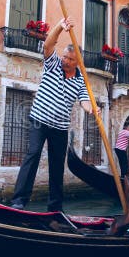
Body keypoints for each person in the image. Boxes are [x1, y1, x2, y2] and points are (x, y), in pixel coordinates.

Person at [10, 17, 98, 212]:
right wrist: (60, 27)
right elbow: (48, 44)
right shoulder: (53, 64)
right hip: (39, 120)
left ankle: (55, 207)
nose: (65, 61)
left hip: (60, 127)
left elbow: (84, 100)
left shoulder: (81, 79)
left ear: (78, 62)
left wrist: (91, 109)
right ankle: (19, 200)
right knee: (32, 155)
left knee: (57, 165)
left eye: (70, 59)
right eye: (65, 57)